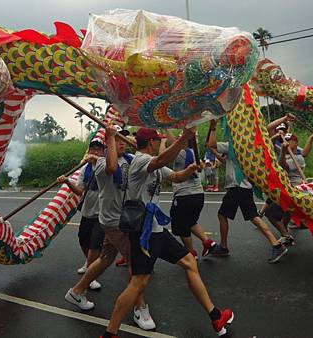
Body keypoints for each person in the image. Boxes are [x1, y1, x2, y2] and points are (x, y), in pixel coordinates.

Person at [100, 127, 234, 338]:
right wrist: (184, 139)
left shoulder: (153, 163)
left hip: (157, 230)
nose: (160, 143)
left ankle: (216, 316)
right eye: (158, 140)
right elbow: (161, 161)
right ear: (151, 142)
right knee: (138, 283)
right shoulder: (141, 160)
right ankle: (110, 333)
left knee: (190, 263)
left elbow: (176, 177)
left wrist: (190, 170)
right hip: (144, 234)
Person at [65, 124, 157, 331]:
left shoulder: (131, 160)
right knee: (136, 261)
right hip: (113, 221)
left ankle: (77, 291)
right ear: (108, 144)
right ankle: (140, 307)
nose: (122, 143)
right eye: (117, 140)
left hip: (124, 219)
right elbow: (112, 168)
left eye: (124, 140)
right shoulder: (101, 163)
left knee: (106, 258)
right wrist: (110, 137)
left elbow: (151, 164)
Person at [206, 119, 288, 263]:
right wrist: (213, 149)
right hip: (245, 187)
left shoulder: (232, 145)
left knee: (222, 215)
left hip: (236, 187)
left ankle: (224, 247)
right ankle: (276, 244)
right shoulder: (248, 146)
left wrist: (213, 128)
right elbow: (226, 161)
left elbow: (212, 143)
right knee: (253, 217)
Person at [59, 139, 105, 289]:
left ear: (103, 152)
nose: (95, 152)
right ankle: (89, 263)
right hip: (87, 211)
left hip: (102, 213)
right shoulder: (85, 168)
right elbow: (79, 190)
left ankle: (91, 278)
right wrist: (67, 181)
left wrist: (97, 159)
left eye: (98, 149)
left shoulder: (107, 165)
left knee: (95, 245)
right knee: (83, 240)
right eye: (93, 149)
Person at [168, 136, 216, 258]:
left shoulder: (181, 153)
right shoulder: (194, 153)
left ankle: (191, 253)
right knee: (190, 221)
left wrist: (164, 132)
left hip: (184, 195)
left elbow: (162, 155)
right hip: (198, 194)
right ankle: (207, 242)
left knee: (181, 226)